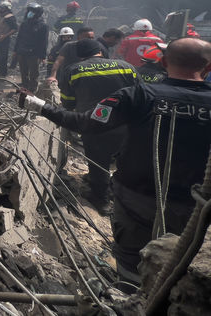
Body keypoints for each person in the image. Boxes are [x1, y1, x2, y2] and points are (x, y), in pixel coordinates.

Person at [19, 38, 211, 283]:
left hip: (137, 199)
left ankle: (131, 293)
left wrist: (37, 104)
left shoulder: (140, 96)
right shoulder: (133, 79)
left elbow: (85, 122)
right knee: (186, 265)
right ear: (208, 68)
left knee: (133, 263)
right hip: (197, 206)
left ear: (163, 63)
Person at [58, 39, 138, 214]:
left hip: (94, 123)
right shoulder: (126, 67)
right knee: (126, 160)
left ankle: (101, 200)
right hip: (125, 122)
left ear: (79, 55)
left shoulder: (73, 70)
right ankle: (125, 197)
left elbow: (68, 101)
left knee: (98, 161)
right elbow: (141, 93)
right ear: (100, 51)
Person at [14, 3, 48, 92]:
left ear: (38, 13)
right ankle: (24, 86)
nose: (29, 13)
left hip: (34, 54)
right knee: (23, 71)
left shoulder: (43, 26)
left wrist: (43, 56)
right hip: (22, 51)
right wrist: (15, 50)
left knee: (34, 73)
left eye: (32, 11)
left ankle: (33, 89)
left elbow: (44, 42)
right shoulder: (24, 23)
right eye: (29, 11)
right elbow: (19, 37)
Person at [0, 1, 18, 77]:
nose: (0, 9)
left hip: (4, 40)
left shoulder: (10, 17)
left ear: (7, 9)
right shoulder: (2, 15)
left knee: (2, 57)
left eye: (2, 8)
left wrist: (4, 36)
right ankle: (0, 71)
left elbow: (15, 29)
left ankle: (3, 73)